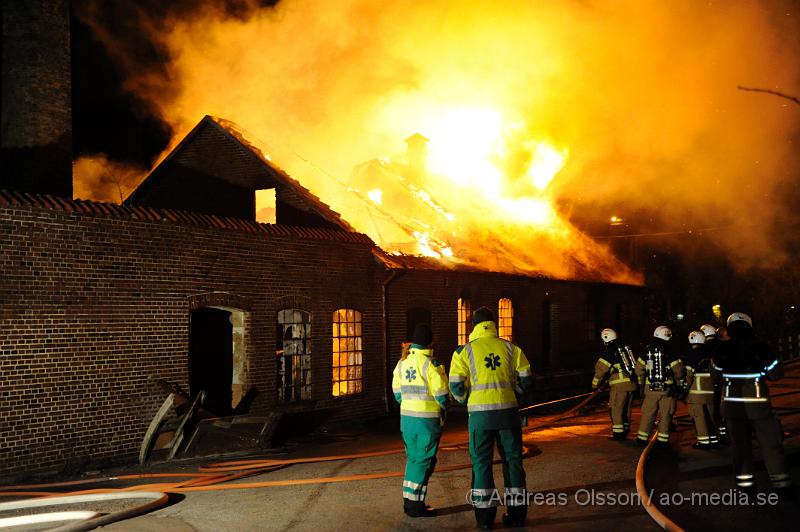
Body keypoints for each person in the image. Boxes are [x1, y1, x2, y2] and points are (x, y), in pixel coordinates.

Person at [449, 307, 534, 529]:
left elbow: (456, 386)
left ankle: (485, 519)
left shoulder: (463, 352)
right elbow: (526, 380)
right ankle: (517, 516)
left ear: (474, 326)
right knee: (513, 462)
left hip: (480, 418)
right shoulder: (511, 348)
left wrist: (466, 399)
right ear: (493, 324)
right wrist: (514, 392)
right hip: (508, 415)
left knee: (481, 464)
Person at [712, 312, 794, 497]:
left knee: (740, 446)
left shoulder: (721, 350)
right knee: (771, 444)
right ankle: (782, 485)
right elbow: (776, 374)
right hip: (759, 407)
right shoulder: (761, 348)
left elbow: (716, 376)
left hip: (732, 407)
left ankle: (745, 486)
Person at [391, 324, 448, 517]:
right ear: (431, 342)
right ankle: (415, 506)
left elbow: (397, 393)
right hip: (427, 422)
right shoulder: (432, 365)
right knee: (423, 462)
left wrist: (408, 403)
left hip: (406, 421)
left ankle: (409, 501)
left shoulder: (402, 363)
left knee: (414, 460)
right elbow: (442, 395)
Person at [635, 325, 684, 447]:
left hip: (650, 389)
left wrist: (641, 385)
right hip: (668, 389)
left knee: (648, 413)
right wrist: (679, 386)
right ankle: (663, 441)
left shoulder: (646, 350)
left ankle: (642, 439)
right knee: (666, 414)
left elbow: (639, 369)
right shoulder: (671, 351)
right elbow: (678, 371)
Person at [591, 328, 638, 440]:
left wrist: (594, 385)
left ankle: (618, 434)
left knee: (616, 409)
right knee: (626, 409)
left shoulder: (609, 351)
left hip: (619, 386)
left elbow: (600, 370)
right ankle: (625, 430)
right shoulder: (624, 349)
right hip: (631, 384)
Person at [684, 331, 719, 449]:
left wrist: (684, 390)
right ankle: (714, 440)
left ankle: (704, 442)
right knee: (711, 417)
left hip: (696, 393)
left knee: (699, 417)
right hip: (711, 391)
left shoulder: (692, 355)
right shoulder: (711, 354)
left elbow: (688, 375)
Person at [702, 323, 727, 442]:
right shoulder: (721, 345)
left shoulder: (705, 347)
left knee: (712, 410)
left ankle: (717, 434)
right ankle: (725, 433)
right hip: (724, 382)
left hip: (712, 382)